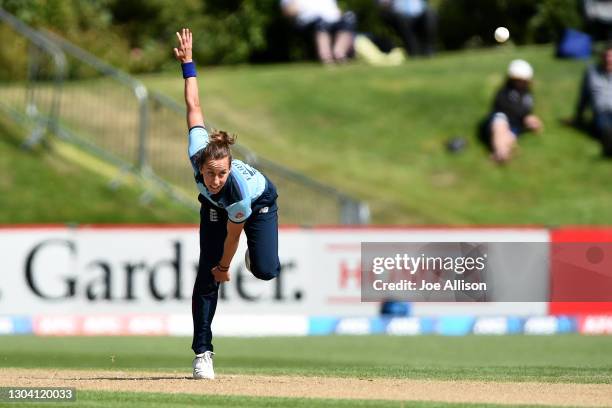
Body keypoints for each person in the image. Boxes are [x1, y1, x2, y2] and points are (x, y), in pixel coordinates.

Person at [173, 28, 281, 379]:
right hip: (216, 211)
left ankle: (258, 255)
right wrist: (188, 63)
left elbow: (233, 237)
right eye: (210, 174)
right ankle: (203, 352)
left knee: (266, 271)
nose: (215, 180)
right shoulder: (197, 152)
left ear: (230, 168)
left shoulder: (234, 191)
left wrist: (225, 266)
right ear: (200, 167)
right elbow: (193, 106)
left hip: (258, 202)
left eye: (222, 173)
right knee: (206, 277)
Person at [486, 59, 543, 163]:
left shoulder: (527, 95)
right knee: (500, 127)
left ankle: (503, 152)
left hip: (515, 125)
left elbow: (527, 111)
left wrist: (530, 120)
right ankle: (501, 153)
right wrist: (523, 116)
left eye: (524, 80)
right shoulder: (504, 92)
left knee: (509, 137)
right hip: (501, 119)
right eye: (518, 80)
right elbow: (502, 107)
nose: (521, 83)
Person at [280, 0, 356, 64]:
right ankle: (326, 57)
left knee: (349, 18)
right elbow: (287, 12)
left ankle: (339, 54)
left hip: (332, 20)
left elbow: (335, 9)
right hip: (308, 22)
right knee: (321, 23)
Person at [571, 43, 612, 157]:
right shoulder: (592, 73)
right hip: (601, 113)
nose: (609, 59)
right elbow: (583, 96)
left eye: (611, 57)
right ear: (602, 57)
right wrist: (578, 116)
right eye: (606, 56)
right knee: (606, 128)